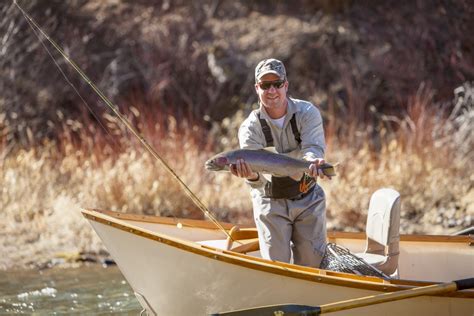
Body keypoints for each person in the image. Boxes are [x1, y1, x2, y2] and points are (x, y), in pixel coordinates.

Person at [230, 58, 330, 267]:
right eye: (265, 85)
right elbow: (258, 182)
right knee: (278, 268)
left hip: (308, 198)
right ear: (257, 88)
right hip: (270, 202)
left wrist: (311, 162)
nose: (272, 90)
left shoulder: (308, 113)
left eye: (277, 84)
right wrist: (251, 175)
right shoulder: (250, 128)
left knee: (313, 266)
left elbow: (313, 147)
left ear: (286, 85)